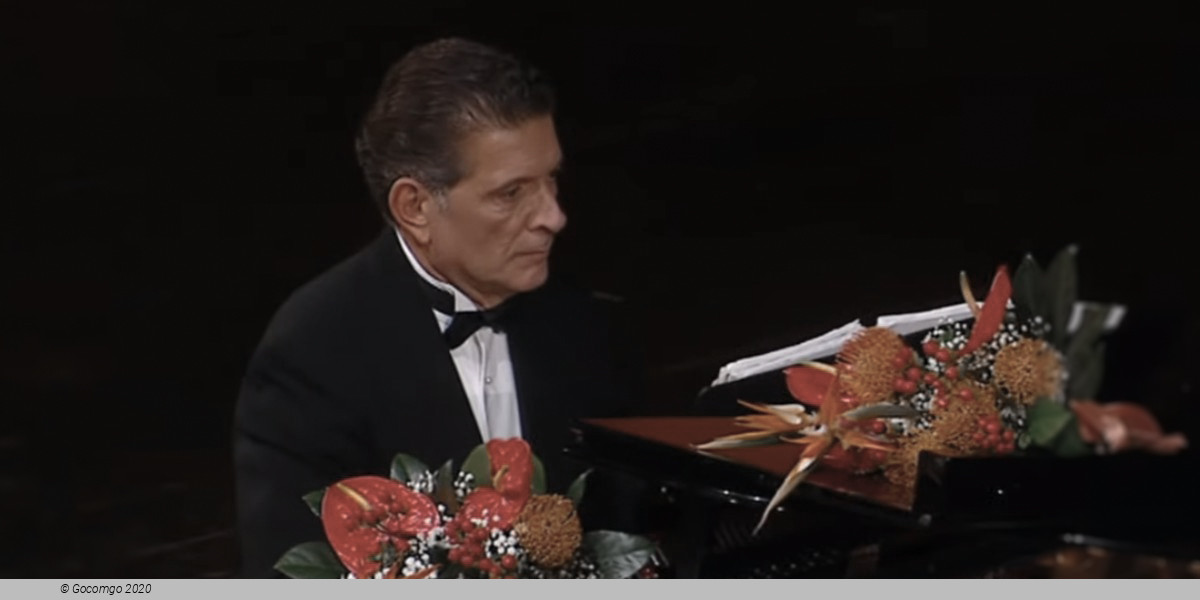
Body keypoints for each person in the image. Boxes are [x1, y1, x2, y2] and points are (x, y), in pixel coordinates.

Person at [233, 37, 642, 578]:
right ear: (416, 207)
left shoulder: (581, 323)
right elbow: (287, 573)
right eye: (511, 193)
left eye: (552, 180)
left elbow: (630, 529)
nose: (553, 216)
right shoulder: (312, 355)